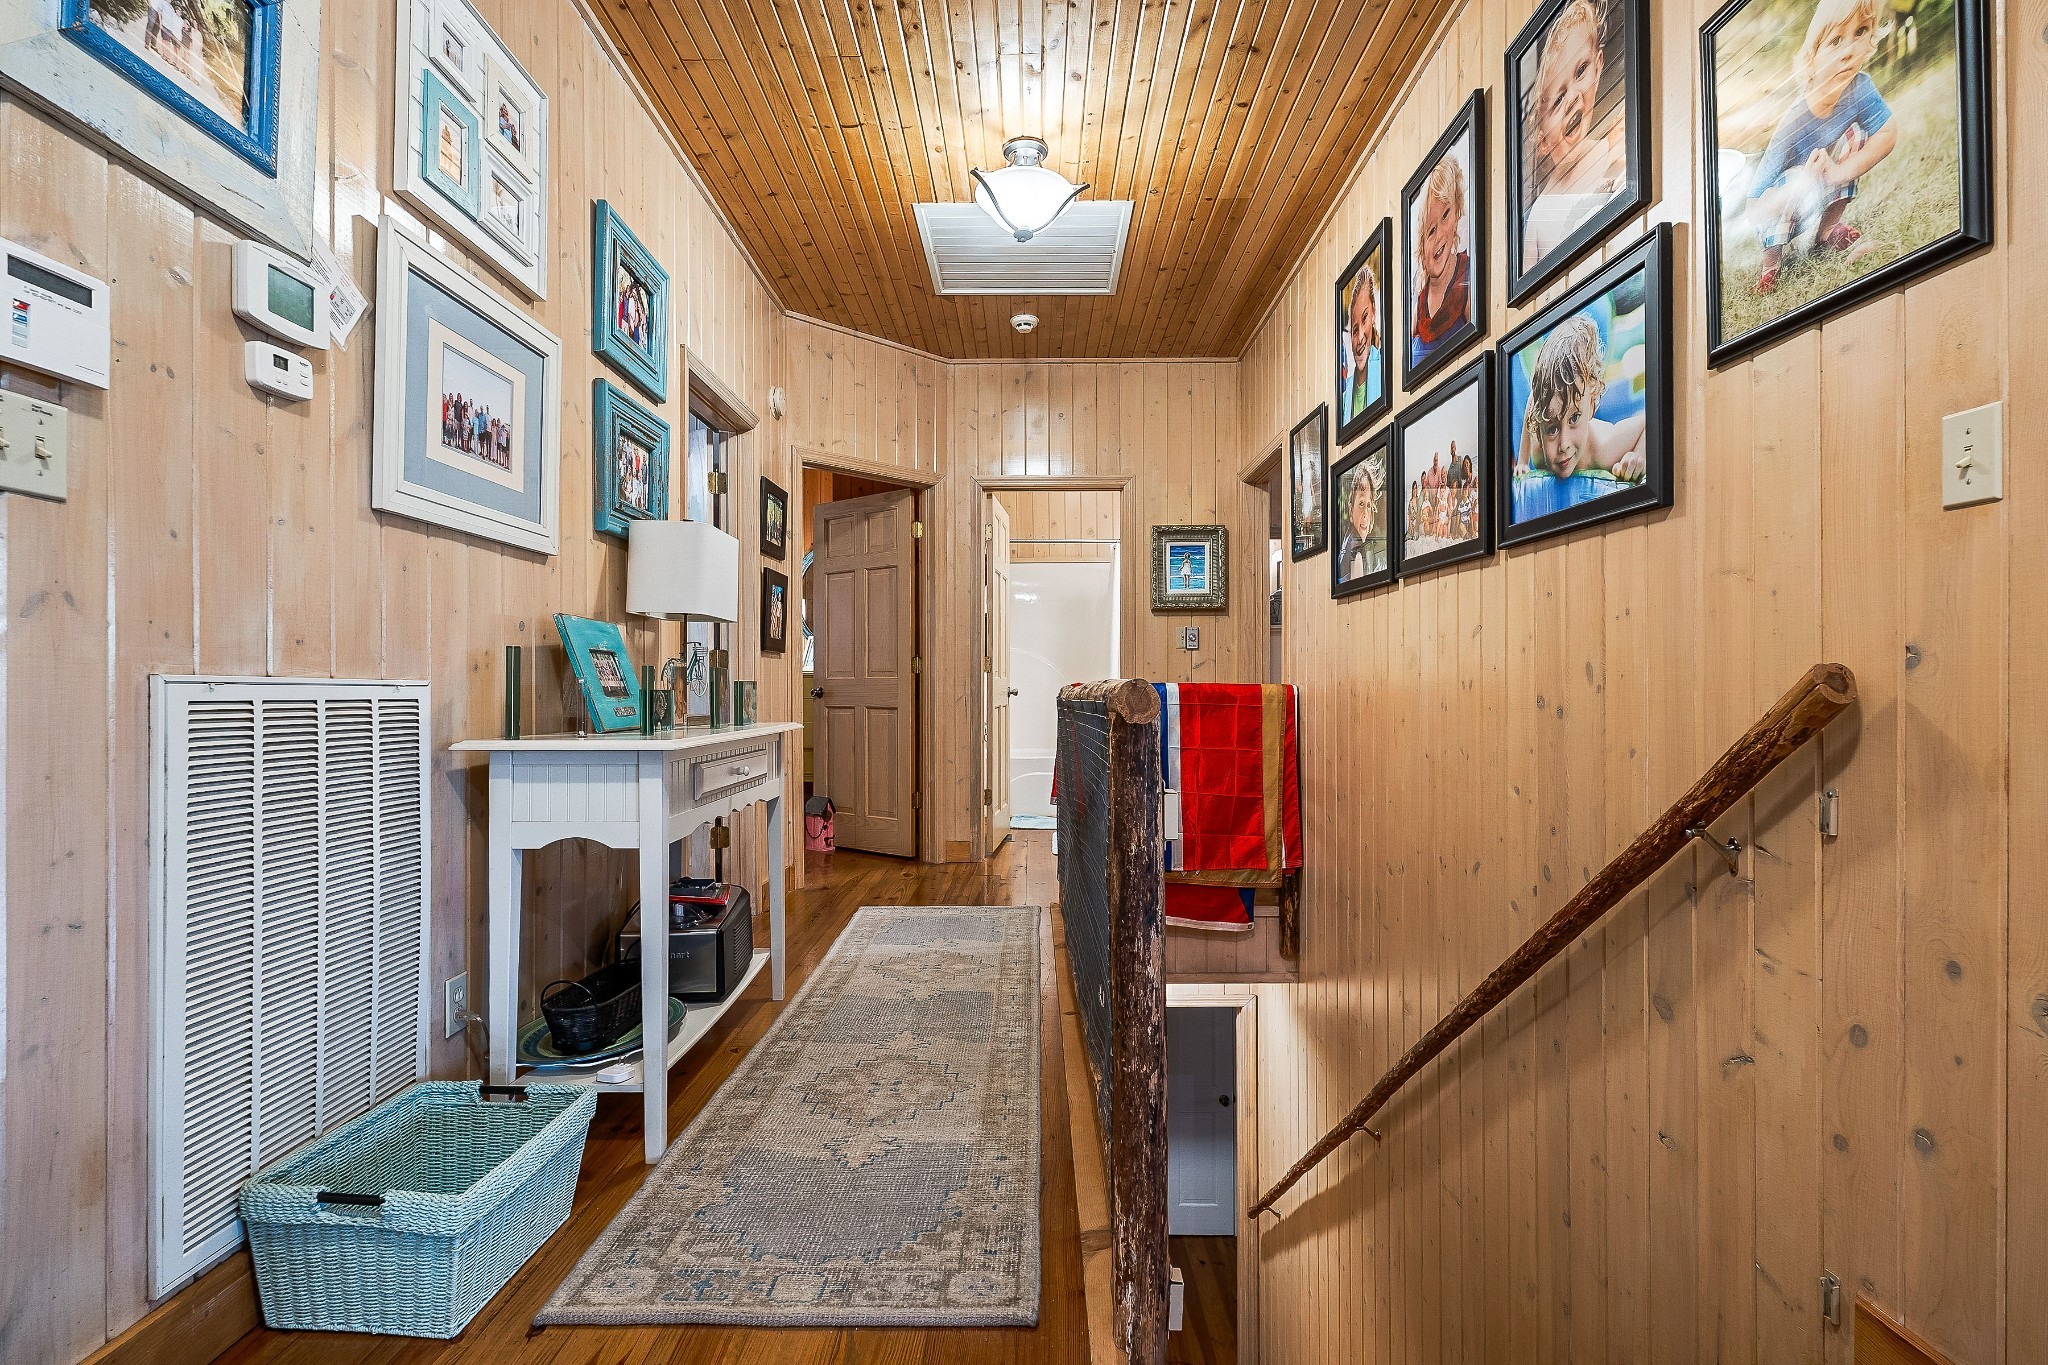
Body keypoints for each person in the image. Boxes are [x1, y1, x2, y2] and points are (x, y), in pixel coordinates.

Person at [1744, 0, 1896, 293]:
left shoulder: (1860, 87)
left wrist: (1838, 172)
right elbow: (1754, 209)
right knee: (1795, 175)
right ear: (1812, 57)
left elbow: (1887, 133)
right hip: (1783, 204)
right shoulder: (1794, 122)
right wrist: (1802, 182)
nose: (1849, 51)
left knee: (1857, 139)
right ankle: (1770, 267)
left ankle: (1827, 231)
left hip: (1822, 183)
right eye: (1836, 40)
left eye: (1861, 31)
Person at [1522, 0, 1628, 267]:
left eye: (1581, 71)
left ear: (1599, 64)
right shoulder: (1539, 214)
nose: (1572, 98)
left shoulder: (1614, 150)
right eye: (1557, 100)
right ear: (1542, 139)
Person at [1517, 314, 1646, 481]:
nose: (1564, 445)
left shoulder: (1604, 449)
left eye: (1574, 418)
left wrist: (1638, 455)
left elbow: (1650, 423)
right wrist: (1522, 460)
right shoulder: (1538, 451)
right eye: (1552, 429)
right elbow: (1532, 400)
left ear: (1592, 404)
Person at [1411, 152, 1471, 369]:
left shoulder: (1466, 278)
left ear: (1457, 213)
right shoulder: (1418, 304)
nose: (1438, 237)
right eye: (1431, 230)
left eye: (1446, 215)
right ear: (1420, 244)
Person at [1342, 262, 1384, 422]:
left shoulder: (1385, 369)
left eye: (1364, 318)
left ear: (1373, 313)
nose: (1359, 338)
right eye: (1354, 330)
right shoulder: (1344, 400)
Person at [1337, 460, 1387, 581]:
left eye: (1369, 505)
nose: (1365, 514)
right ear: (1350, 510)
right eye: (1361, 504)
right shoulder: (1357, 552)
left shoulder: (1349, 541)